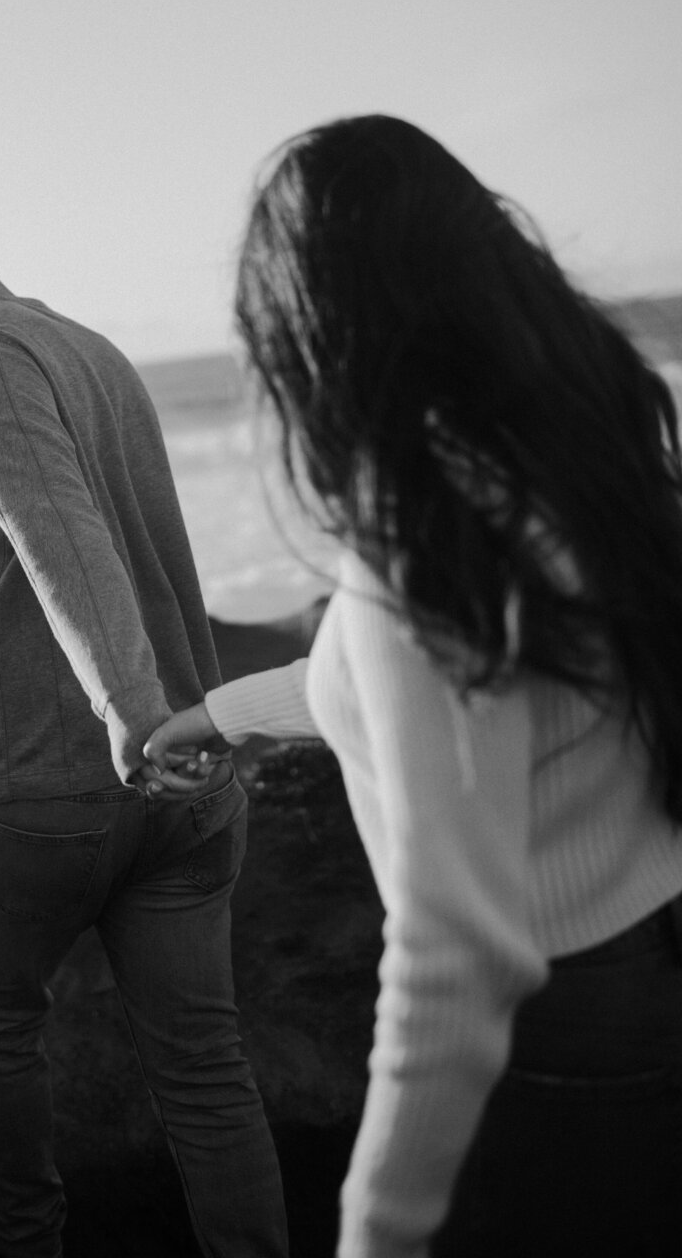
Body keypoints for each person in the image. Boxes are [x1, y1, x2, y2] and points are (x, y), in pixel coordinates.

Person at [145, 115, 682, 1258]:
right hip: (648, 965)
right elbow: (463, 705)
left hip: (559, 1034)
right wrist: (231, 714)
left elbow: (453, 954)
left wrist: (373, 1237)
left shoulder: (416, 557)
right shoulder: (545, 461)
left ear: (314, 330)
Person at [0, 167, 289, 1258]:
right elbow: (148, 548)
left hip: (48, 785)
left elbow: (62, 537)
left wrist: (129, 714)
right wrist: (182, 726)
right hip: (187, 784)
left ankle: (23, 1244)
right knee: (207, 1071)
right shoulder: (96, 351)